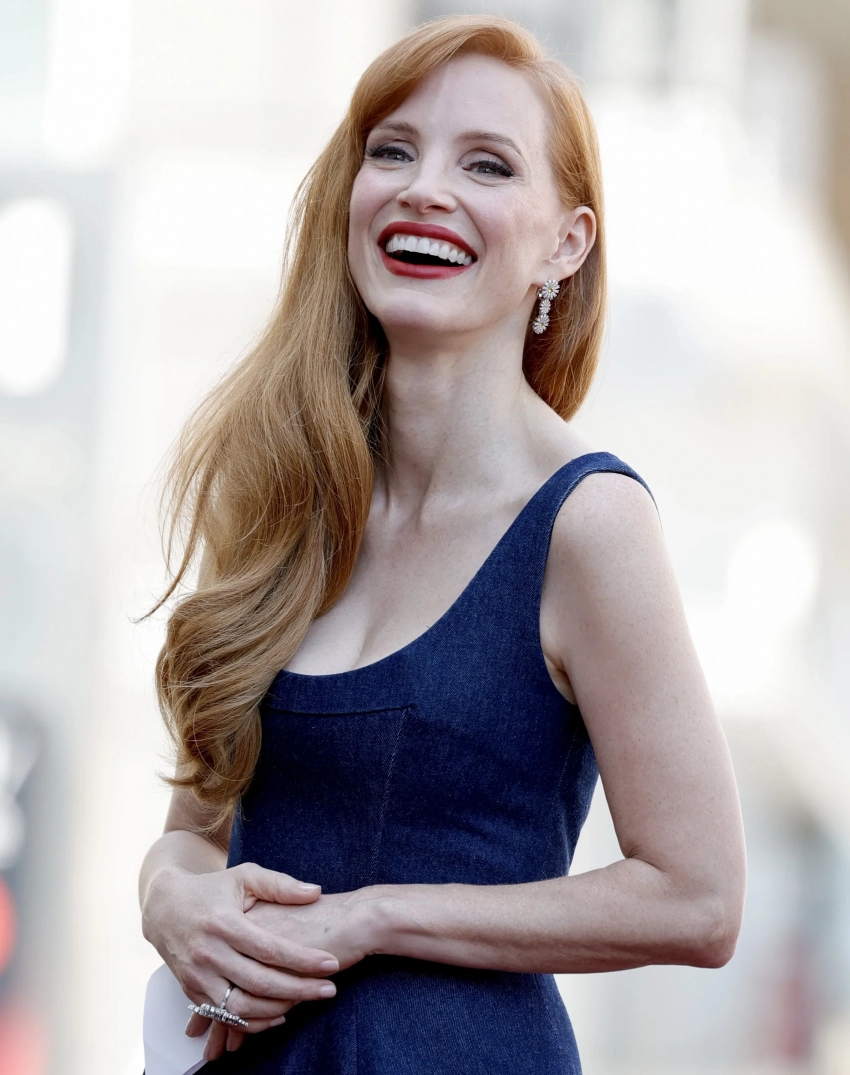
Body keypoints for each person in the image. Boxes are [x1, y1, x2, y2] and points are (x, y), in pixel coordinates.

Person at [138, 14, 746, 1073]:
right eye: (393, 152)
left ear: (565, 243)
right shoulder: (288, 497)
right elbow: (195, 827)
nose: (425, 189)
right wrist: (167, 897)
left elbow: (698, 897)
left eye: (487, 164)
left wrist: (375, 915)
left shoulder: (588, 521)